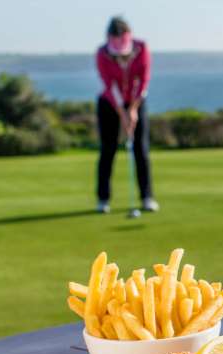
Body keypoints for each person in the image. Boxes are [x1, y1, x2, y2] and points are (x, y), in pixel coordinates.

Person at [95, 16, 158, 214]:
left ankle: (147, 197)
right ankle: (103, 199)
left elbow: (143, 80)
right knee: (108, 149)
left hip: (136, 100)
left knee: (141, 148)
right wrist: (123, 113)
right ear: (108, 38)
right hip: (109, 103)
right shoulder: (102, 54)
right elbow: (110, 86)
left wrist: (133, 110)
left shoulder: (142, 49)